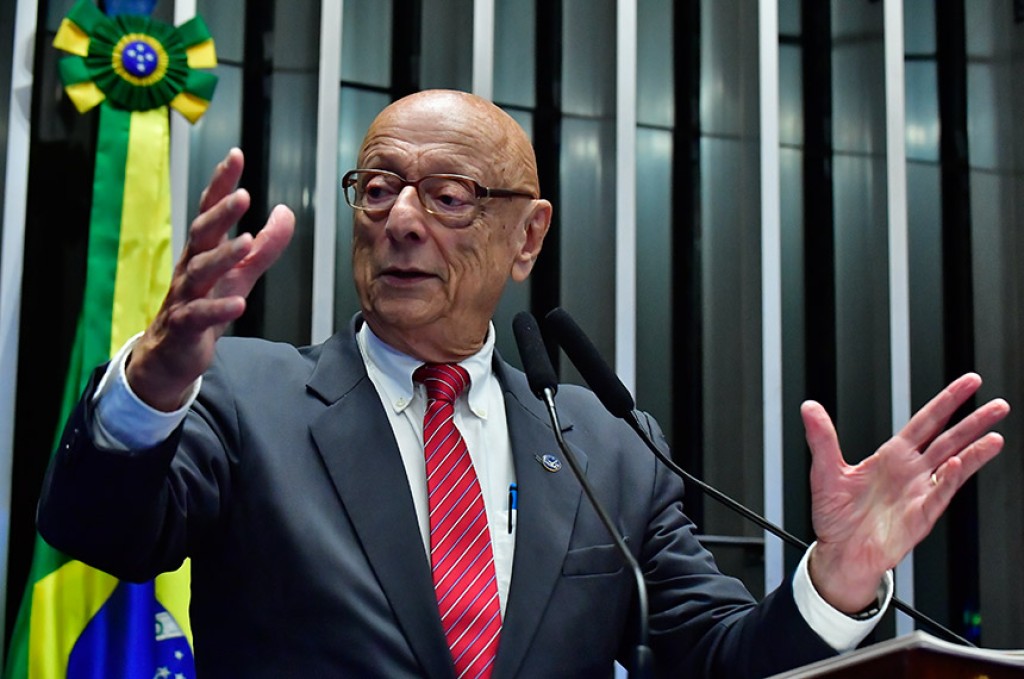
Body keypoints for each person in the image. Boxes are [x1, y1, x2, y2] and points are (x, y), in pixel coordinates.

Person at [39, 89, 1010, 678]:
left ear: (527, 236)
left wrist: (838, 578)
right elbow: (100, 530)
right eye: (377, 188)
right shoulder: (243, 393)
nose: (401, 219)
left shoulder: (607, 446)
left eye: (449, 196)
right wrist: (149, 388)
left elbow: (718, 658)